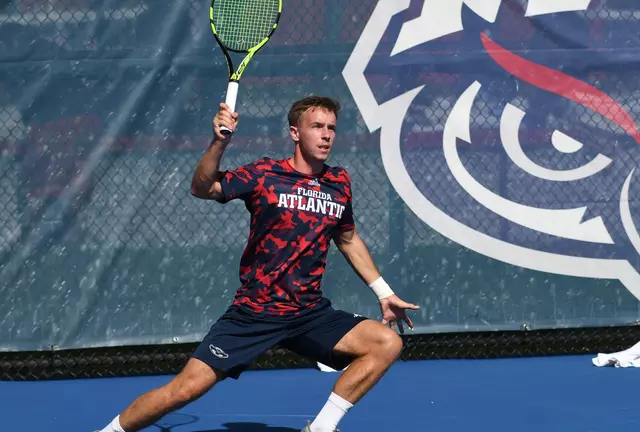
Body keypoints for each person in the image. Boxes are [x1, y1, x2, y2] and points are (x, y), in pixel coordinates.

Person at [99, 96, 419, 432]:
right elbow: (202, 187)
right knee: (183, 391)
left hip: (308, 313)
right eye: (317, 127)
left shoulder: (338, 182)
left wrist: (383, 292)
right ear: (295, 133)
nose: (326, 135)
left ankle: (322, 428)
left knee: (386, 343)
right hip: (254, 312)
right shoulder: (265, 174)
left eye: (331, 128)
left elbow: (348, 238)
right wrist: (219, 142)